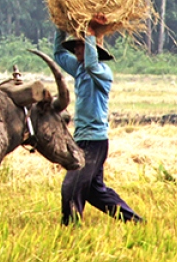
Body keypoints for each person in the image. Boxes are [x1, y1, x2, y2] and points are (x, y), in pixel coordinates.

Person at [54, 24, 143, 225]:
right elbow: (58, 54)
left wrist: (91, 35)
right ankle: (134, 221)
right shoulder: (79, 71)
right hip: (82, 139)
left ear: (93, 50)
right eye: (75, 46)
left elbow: (92, 65)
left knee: (72, 185)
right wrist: (60, 27)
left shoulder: (102, 73)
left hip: (94, 141)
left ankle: (70, 227)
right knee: (95, 192)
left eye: (80, 46)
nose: (76, 50)